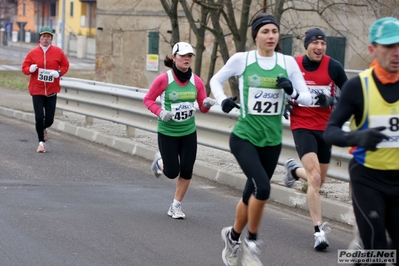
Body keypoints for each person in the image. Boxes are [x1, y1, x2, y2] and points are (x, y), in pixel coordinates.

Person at [210, 13, 312, 266]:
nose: (270, 36)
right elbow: (215, 79)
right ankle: (251, 243)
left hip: (271, 141)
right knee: (263, 189)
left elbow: (307, 98)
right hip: (244, 137)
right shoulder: (242, 59)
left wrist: (292, 91)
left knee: (249, 196)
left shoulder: (287, 62)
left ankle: (231, 236)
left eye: (274, 32)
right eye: (265, 31)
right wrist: (222, 98)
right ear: (255, 35)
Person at [324, 17, 399, 264]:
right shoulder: (359, 86)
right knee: (377, 245)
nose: (396, 52)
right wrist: (358, 136)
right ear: (372, 49)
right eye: (388, 46)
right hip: (368, 178)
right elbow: (331, 131)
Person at [282, 28, 348, 250]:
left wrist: (332, 99)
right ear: (306, 45)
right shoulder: (294, 65)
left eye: (323, 44)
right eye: (315, 44)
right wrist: (286, 101)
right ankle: (319, 231)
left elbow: (350, 95)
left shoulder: (333, 66)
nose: (319, 48)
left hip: (325, 128)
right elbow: (283, 88)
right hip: (302, 125)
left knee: (320, 180)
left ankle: (292, 170)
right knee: (316, 178)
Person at [143, 42, 215, 220]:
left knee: (187, 170)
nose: (187, 59)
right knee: (172, 172)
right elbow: (148, 100)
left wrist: (206, 104)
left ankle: (176, 206)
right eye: (183, 55)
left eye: (190, 55)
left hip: (188, 131)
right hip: (168, 132)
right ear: (174, 57)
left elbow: (202, 106)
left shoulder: (196, 81)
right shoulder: (163, 79)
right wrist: (160, 112)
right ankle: (159, 162)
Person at [21, 26, 69, 153]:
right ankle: (41, 143)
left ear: (51, 39)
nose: (46, 39)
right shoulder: (32, 53)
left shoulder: (58, 52)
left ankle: (43, 129)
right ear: (39, 39)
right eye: (43, 37)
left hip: (52, 90)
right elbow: (24, 68)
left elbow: (65, 65)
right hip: (37, 89)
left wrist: (58, 73)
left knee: (49, 119)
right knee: (38, 117)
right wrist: (30, 69)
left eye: (48, 37)